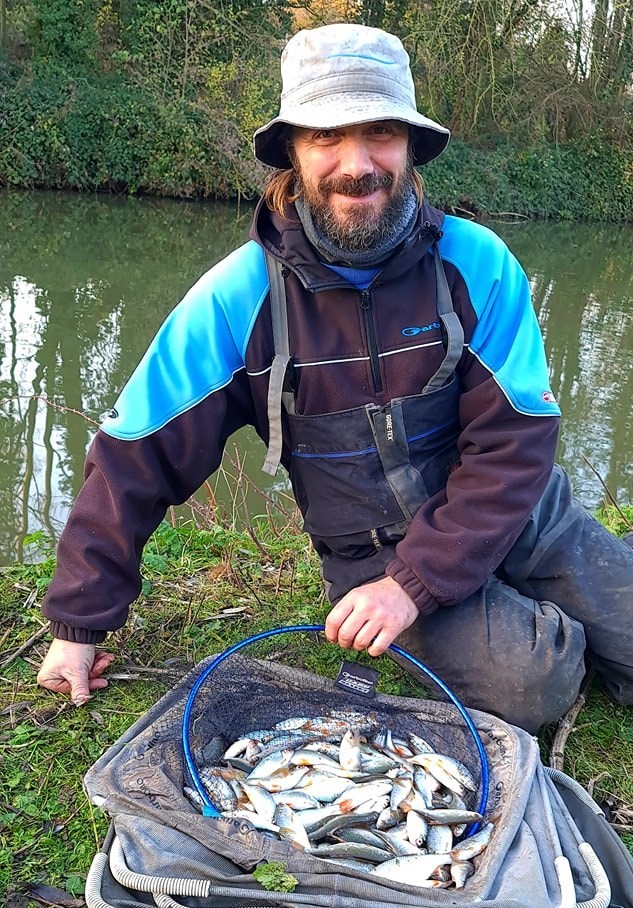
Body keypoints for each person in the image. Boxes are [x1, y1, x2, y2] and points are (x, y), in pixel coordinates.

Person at [36, 23, 633, 733]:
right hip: (370, 555)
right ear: (291, 149)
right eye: (326, 135)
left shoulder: (479, 264)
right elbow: (135, 458)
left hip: (519, 515)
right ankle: (534, 621)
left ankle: (535, 593)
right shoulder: (234, 298)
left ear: (411, 147)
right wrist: (78, 622)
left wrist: (426, 579)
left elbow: (516, 446)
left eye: (380, 131)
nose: (357, 163)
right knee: (537, 682)